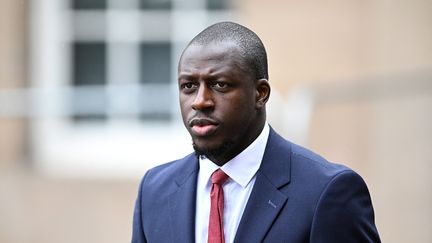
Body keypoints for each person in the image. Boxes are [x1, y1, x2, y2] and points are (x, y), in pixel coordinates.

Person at [132, 21, 380, 243]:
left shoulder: (327, 192)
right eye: (188, 86)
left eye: (220, 85)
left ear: (260, 94)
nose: (200, 101)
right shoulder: (154, 191)